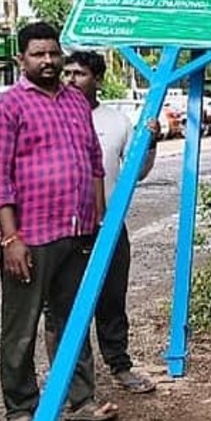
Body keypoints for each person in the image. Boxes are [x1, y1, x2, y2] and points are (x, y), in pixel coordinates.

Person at [0, 22, 118, 421]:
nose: (48, 60)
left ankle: (81, 400)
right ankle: (21, 407)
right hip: (31, 236)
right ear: (20, 59)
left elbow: (94, 163)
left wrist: (97, 219)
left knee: (73, 319)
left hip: (77, 231)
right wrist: (11, 238)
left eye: (53, 53)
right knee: (21, 327)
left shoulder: (76, 102)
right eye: (38, 54)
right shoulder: (6, 108)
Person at [57, 50, 160, 394]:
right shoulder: (53, 115)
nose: (71, 80)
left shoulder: (116, 122)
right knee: (66, 303)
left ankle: (119, 364)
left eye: (80, 74)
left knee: (112, 298)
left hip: (109, 226)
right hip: (64, 228)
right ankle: (72, 380)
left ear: (98, 80)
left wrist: (150, 143)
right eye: (67, 73)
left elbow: (137, 172)